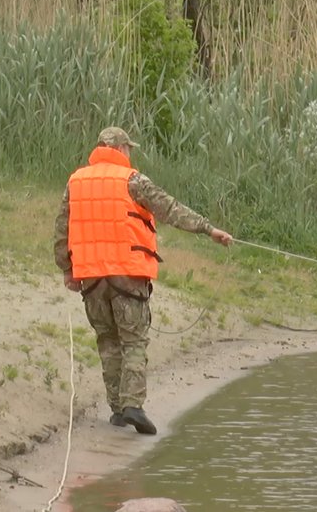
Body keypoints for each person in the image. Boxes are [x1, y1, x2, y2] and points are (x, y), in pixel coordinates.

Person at [53, 127, 232, 435]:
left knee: (108, 341)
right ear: (120, 148)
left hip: (92, 278)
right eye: (129, 149)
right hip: (128, 275)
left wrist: (67, 269)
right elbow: (170, 208)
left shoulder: (75, 181)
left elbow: (62, 229)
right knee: (133, 340)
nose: (130, 154)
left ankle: (118, 410)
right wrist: (208, 229)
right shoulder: (132, 180)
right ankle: (133, 404)